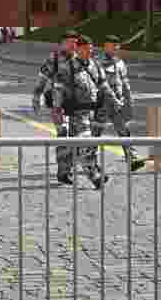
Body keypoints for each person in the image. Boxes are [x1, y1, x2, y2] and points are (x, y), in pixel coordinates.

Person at [52, 34, 122, 189]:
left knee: (75, 146)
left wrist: (114, 101)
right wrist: (59, 114)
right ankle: (95, 176)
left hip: (92, 114)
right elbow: (57, 91)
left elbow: (104, 86)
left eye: (91, 49)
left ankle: (64, 172)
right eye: (86, 50)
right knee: (86, 144)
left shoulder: (95, 66)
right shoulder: (67, 67)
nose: (89, 52)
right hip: (75, 114)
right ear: (77, 49)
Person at [92, 35, 146, 171]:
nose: (114, 48)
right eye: (111, 45)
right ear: (105, 46)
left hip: (118, 103)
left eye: (116, 46)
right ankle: (90, 161)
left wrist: (129, 100)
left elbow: (124, 82)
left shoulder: (120, 63)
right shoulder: (96, 62)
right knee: (96, 133)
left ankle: (132, 158)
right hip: (102, 103)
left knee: (124, 130)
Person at [33, 30, 79, 140]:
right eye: (70, 42)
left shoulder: (80, 58)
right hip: (59, 104)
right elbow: (42, 78)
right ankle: (63, 156)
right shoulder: (54, 59)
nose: (73, 45)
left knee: (77, 137)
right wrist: (36, 97)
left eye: (75, 42)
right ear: (62, 43)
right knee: (63, 133)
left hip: (78, 103)